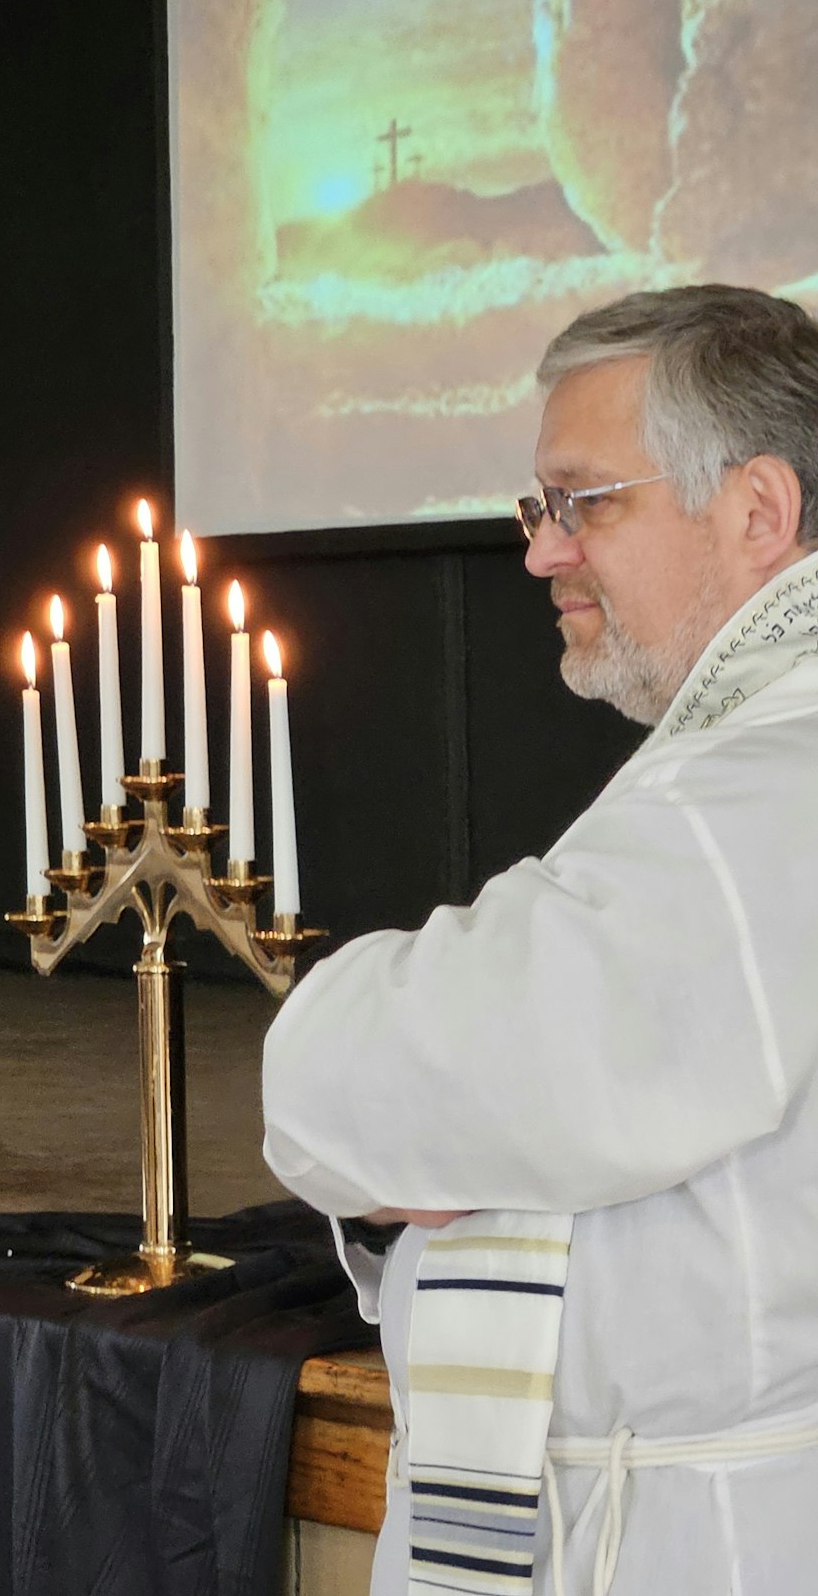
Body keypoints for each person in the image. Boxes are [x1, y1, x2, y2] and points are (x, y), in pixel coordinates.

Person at [262, 283, 818, 1596]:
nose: (542, 551)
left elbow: (346, 1084)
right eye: (538, 506)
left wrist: (399, 1094)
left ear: (757, 512)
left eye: (587, 502)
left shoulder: (768, 788)